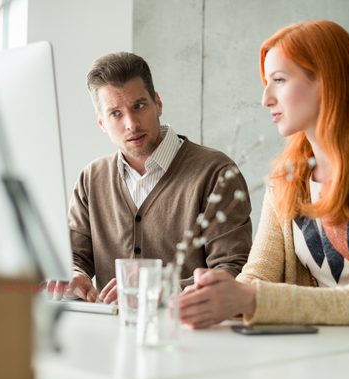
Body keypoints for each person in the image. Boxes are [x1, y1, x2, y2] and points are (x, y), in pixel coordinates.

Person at [179, 20, 349, 330]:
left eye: (279, 80)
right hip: (313, 352)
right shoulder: (286, 175)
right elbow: (258, 274)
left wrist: (247, 298)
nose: (266, 99)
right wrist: (210, 295)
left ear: (325, 81)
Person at [65, 52, 253, 303]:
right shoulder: (91, 179)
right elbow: (74, 257)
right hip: (109, 326)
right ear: (101, 122)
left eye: (138, 106)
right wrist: (74, 275)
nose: (131, 124)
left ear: (158, 103)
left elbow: (234, 270)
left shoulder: (216, 173)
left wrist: (158, 288)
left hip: (189, 326)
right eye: (115, 114)